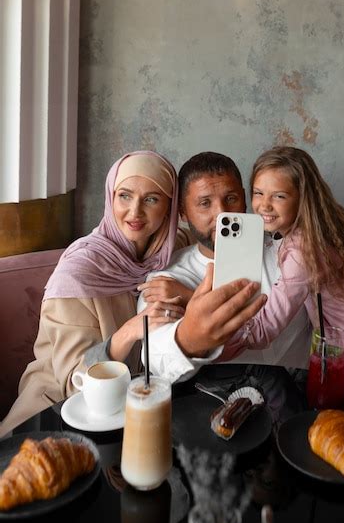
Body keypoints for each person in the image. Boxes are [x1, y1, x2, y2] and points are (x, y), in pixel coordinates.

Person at [0, 150, 265, 437]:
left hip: (136, 406)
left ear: (171, 208)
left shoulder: (173, 245)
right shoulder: (79, 272)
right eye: (124, 196)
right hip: (57, 414)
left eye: (151, 199)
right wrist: (129, 331)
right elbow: (73, 384)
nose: (135, 212)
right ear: (110, 197)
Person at [220, 146, 344, 388]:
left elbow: (262, 330)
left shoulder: (302, 251)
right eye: (258, 193)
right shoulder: (316, 229)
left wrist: (201, 336)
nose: (264, 205)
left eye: (279, 196)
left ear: (302, 198)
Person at [138, 152, 312, 383]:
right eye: (204, 203)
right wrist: (188, 337)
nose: (222, 213)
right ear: (182, 212)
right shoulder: (168, 279)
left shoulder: (289, 251)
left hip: (302, 401)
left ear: (245, 199)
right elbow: (156, 360)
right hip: (217, 404)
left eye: (231, 198)